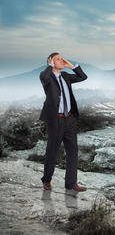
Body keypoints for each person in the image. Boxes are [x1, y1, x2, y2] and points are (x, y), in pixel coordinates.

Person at [39, 52, 88, 192]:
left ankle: (71, 183)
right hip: (55, 119)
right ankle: (46, 180)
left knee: (73, 150)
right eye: (58, 59)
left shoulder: (66, 76)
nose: (61, 61)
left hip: (69, 119)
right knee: (52, 151)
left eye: (61, 58)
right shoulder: (45, 76)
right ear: (51, 62)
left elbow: (83, 77)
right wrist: (50, 66)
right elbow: (45, 77)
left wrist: (71, 65)